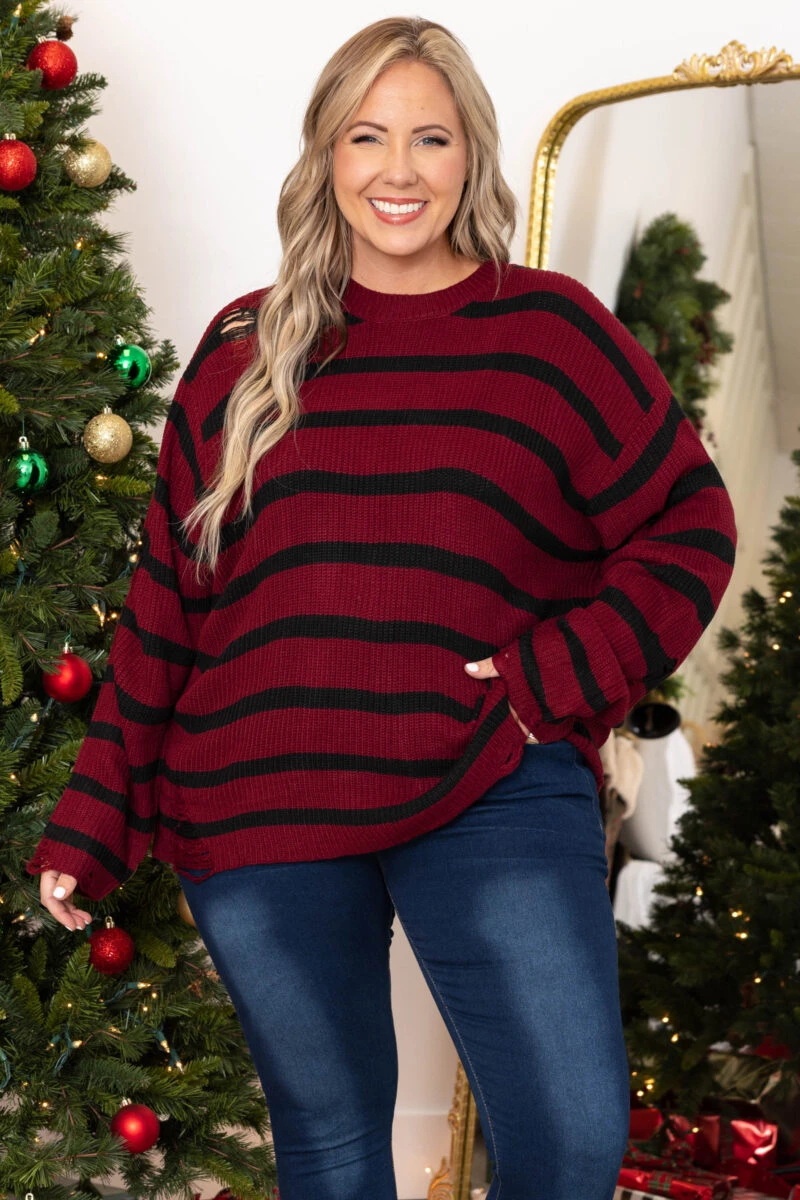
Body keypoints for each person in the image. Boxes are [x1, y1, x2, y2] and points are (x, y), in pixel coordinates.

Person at [27, 16, 738, 1200]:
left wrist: (548, 680)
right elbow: (168, 601)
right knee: (335, 1153)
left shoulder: (550, 333)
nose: (397, 170)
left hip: (491, 772)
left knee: (567, 1142)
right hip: (260, 798)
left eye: (429, 138)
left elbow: (689, 522)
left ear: (470, 156)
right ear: (326, 155)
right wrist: (93, 815)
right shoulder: (244, 346)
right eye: (366, 136)